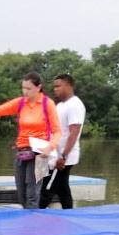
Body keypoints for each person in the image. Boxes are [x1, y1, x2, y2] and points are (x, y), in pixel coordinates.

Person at [0, 72, 61, 209]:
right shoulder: (21, 102)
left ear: (39, 87)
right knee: (21, 193)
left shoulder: (48, 104)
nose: (25, 91)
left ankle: (32, 225)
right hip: (22, 151)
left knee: (33, 194)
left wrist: (50, 147)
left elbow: (58, 132)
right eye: (23, 88)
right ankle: (27, 221)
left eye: (29, 88)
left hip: (41, 154)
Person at [40, 74, 85, 209]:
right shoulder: (60, 105)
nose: (55, 89)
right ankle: (69, 215)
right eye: (54, 87)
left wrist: (64, 156)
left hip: (64, 157)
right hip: (55, 155)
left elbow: (74, 131)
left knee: (47, 190)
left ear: (69, 85)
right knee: (62, 188)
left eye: (58, 86)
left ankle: (33, 218)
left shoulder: (75, 105)